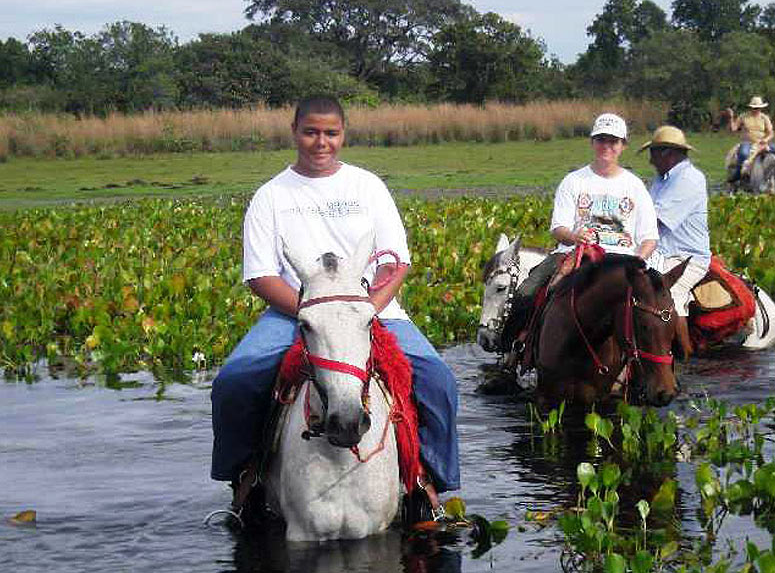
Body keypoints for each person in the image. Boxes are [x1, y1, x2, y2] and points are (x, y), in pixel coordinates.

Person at [210, 96, 459, 518]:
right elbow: (260, 275)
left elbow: (395, 262)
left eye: (331, 133)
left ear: (343, 134)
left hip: (374, 312)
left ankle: (429, 484)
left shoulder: (368, 187)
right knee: (234, 381)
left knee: (439, 380)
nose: (321, 142)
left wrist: (364, 310)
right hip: (296, 314)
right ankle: (244, 480)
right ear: (294, 132)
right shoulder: (271, 196)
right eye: (311, 132)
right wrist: (316, 313)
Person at [508, 113, 659, 342]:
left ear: (623, 145)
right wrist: (573, 236)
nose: (606, 146)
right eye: (601, 140)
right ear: (592, 142)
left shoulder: (635, 186)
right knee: (526, 292)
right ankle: (518, 345)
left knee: (659, 308)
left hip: (622, 261)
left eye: (613, 141)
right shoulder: (573, 181)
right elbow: (558, 229)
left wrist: (637, 261)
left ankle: (667, 358)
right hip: (575, 255)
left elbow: (649, 238)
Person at [639, 125, 710, 360]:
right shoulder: (662, 180)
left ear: (667, 153)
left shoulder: (690, 179)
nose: (650, 160)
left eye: (653, 153)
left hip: (687, 256)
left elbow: (655, 220)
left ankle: (684, 357)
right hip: (661, 254)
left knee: (670, 294)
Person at [727, 95, 775, 182]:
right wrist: (731, 117)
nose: (756, 110)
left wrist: (766, 139)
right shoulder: (744, 116)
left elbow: (771, 133)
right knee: (743, 154)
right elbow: (734, 128)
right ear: (751, 108)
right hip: (748, 142)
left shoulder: (764, 118)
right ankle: (737, 174)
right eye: (754, 108)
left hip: (762, 143)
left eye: (758, 108)